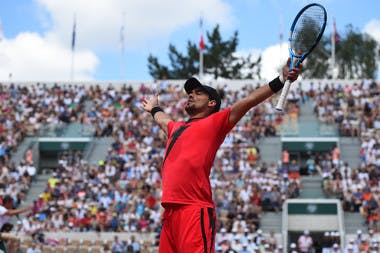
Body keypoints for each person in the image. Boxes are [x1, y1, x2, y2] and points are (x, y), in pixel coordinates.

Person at [141, 59, 301, 253]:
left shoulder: (215, 123)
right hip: (170, 214)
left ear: (211, 103)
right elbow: (162, 119)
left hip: (194, 210)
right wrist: (154, 109)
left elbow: (247, 102)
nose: (191, 94)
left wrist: (281, 80)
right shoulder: (176, 128)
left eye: (198, 93)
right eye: (190, 92)